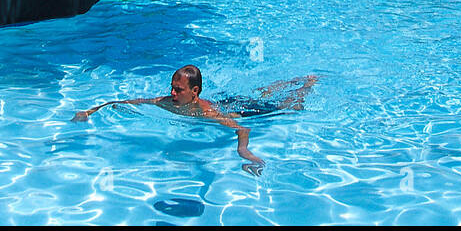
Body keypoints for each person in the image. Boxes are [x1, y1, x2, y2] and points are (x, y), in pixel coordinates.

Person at [73, 66, 319, 176]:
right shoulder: (166, 102)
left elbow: (242, 128)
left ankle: (305, 85)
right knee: (259, 92)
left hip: (243, 112)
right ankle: (290, 81)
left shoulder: (206, 113)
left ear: (195, 92)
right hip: (229, 101)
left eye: (178, 90)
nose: (172, 94)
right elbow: (128, 101)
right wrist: (90, 111)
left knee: (290, 107)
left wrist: (243, 150)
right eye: (172, 88)